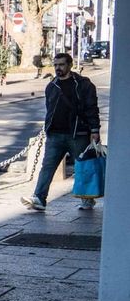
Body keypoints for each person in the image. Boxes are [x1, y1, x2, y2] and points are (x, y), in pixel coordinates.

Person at [23, 52, 101, 212]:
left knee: (82, 167)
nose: (58, 68)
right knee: (47, 166)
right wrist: (48, 128)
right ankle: (39, 198)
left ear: (70, 65)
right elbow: (49, 109)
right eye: (56, 65)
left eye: (61, 65)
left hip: (77, 134)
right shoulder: (52, 86)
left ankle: (87, 199)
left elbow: (91, 108)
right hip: (55, 135)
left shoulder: (83, 84)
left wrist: (94, 129)